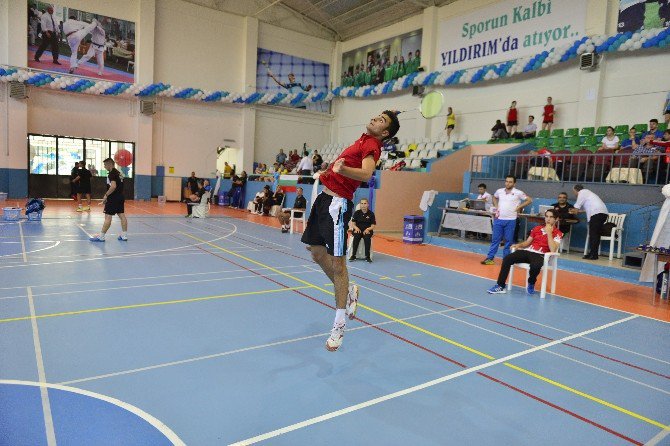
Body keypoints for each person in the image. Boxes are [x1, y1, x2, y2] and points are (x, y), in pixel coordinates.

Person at [302, 110, 399, 352]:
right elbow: (343, 167)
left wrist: (342, 170)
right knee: (315, 252)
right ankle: (348, 291)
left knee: (339, 265)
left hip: (337, 205)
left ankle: (339, 324)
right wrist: (328, 172)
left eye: (381, 121)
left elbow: (366, 173)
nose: (375, 119)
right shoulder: (363, 139)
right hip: (323, 200)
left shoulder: (373, 145)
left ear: (385, 133)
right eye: (376, 116)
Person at [486, 209, 562, 295]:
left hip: (541, 255)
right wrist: (519, 245)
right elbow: (527, 243)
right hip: (528, 251)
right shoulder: (537, 228)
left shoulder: (558, 233)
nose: (548, 219)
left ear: (556, 219)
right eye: (546, 216)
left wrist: (549, 233)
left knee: (535, 266)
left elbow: (553, 249)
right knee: (507, 258)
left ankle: (531, 282)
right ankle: (500, 286)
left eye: (551, 217)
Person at [481, 175, 532, 265]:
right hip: (499, 219)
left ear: (514, 183)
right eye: (506, 181)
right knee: (495, 240)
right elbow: (494, 197)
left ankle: (506, 260)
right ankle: (490, 258)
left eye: (510, 182)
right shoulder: (499, 191)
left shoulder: (518, 192)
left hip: (511, 220)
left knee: (508, 241)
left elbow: (529, 200)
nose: (508, 183)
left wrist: (519, 207)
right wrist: (496, 206)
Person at [90, 158, 128, 242]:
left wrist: (106, 195)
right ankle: (124, 235)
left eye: (105, 165)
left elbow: (113, 186)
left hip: (113, 198)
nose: (104, 166)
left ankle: (101, 236)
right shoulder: (119, 173)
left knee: (108, 217)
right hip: (120, 197)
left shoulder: (112, 174)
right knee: (122, 216)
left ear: (110, 164)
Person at [569, 184, 608, 260]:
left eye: (574, 192)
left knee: (594, 235)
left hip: (597, 214)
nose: (574, 194)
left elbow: (576, 208)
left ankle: (594, 255)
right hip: (601, 214)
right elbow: (585, 209)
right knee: (595, 235)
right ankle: (592, 253)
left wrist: (571, 211)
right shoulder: (588, 194)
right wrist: (577, 211)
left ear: (576, 190)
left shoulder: (582, 192)